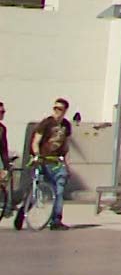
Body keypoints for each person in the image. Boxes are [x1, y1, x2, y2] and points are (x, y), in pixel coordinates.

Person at [14, 98, 73, 230]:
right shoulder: (46, 123)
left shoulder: (66, 126)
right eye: (55, 108)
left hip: (57, 162)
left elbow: (66, 145)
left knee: (59, 189)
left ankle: (56, 220)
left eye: (60, 109)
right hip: (43, 161)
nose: (57, 112)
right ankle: (23, 211)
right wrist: (36, 156)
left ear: (65, 111)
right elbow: (36, 141)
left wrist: (68, 163)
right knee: (36, 192)